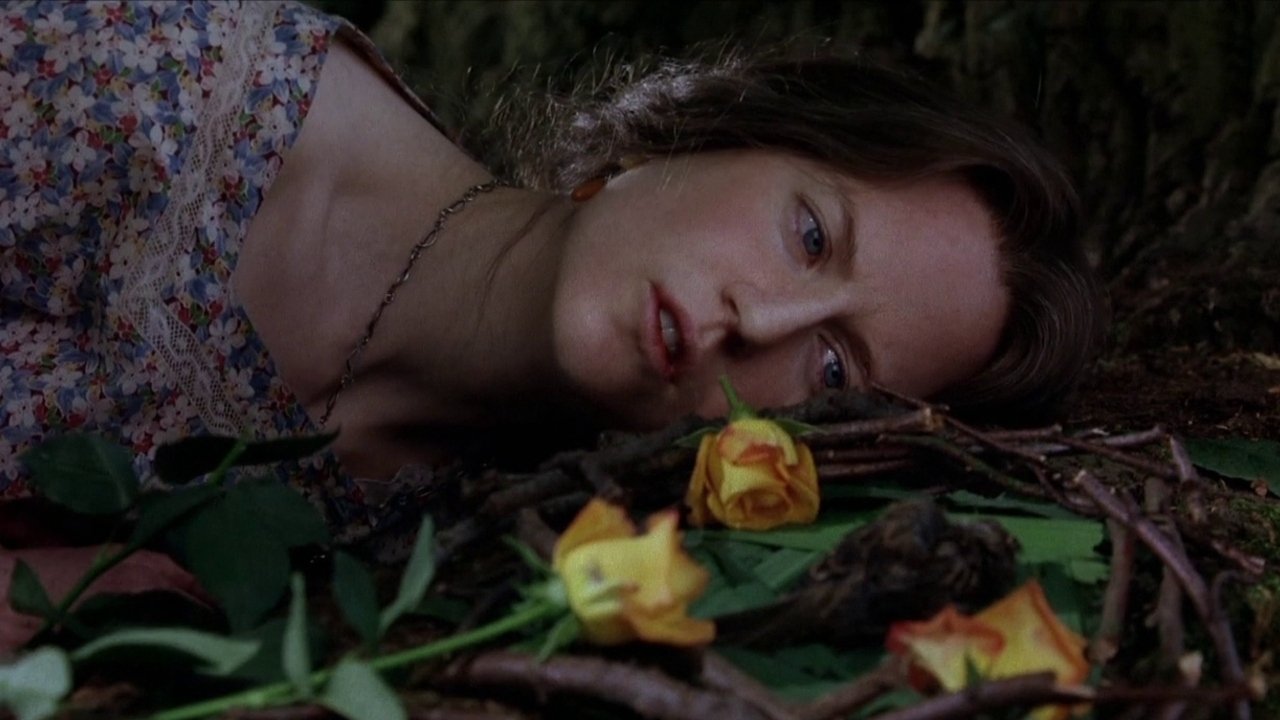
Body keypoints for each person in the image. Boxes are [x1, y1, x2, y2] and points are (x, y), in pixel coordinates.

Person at [0, 0, 1102, 627]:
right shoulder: (173, 92)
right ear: (714, 130)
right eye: (809, 235)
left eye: (831, 371)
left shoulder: (467, 544)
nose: (756, 322)